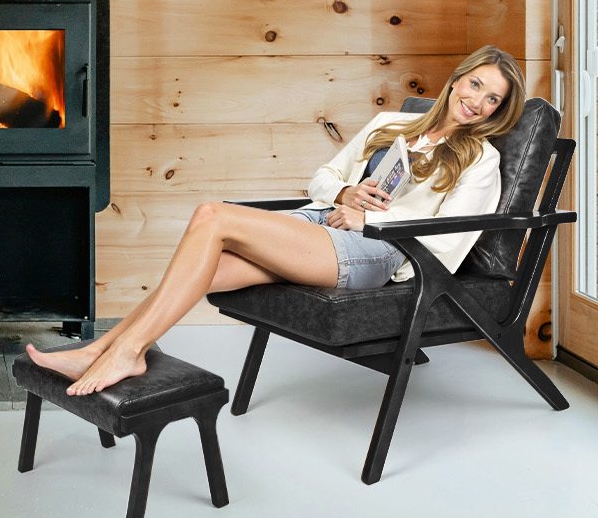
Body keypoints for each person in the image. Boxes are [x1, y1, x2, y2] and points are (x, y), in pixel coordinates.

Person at [28, 45, 527, 396]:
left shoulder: (479, 158)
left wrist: (369, 221)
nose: (478, 101)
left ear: (497, 111)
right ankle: (102, 350)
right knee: (211, 268)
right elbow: (323, 177)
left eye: (493, 99)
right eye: (476, 84)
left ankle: (127, 351)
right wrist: (347, 191)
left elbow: (451, 243)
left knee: (210, 216)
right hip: (322, 221)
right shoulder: (389, 125)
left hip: (379, 251)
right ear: (457, 79)